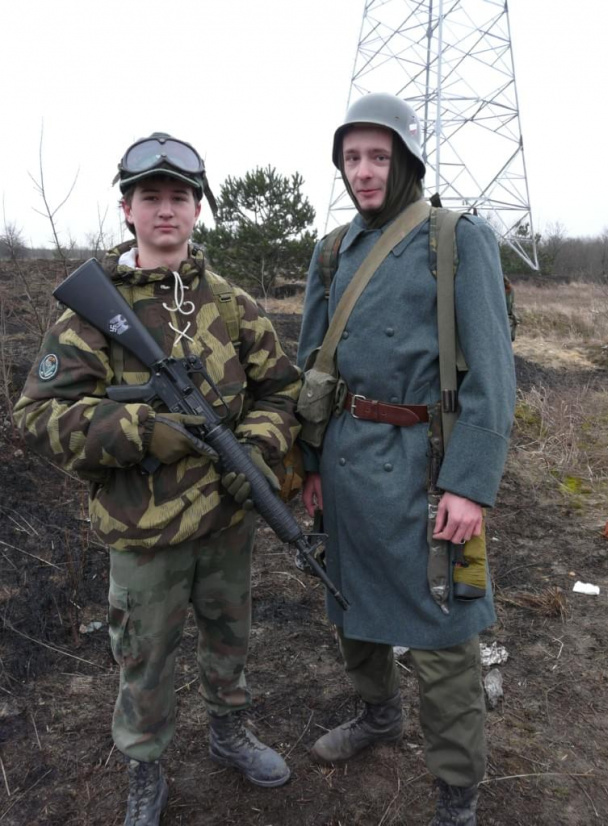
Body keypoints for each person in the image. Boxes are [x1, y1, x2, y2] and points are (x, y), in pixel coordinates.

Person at [14, 132, 302, 825]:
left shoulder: (233, 305)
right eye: (152, 198)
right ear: (127, 210)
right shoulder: (90, 312)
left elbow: (281, 392)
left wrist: (257, 451)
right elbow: (37, 415)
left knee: (230, 638)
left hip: (228, 522)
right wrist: (142, 430)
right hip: (142, 534)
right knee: (143, 656)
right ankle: (145, 765)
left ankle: (229, 733)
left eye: (179, 197)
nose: (165, 210)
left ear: (199, 210)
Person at [297, 94, 516, 826]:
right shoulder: (331, 251)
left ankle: (458, 792)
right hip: (346, 458)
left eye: (378, 156)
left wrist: (469, 485)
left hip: (426, 468)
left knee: (446, 629)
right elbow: (311, 371)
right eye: (352, 158)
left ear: (406, 161)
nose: (364, 172)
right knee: (350, 599)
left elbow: (492, 375)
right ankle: (378, 715)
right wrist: (309, 465)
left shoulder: (457, 240)